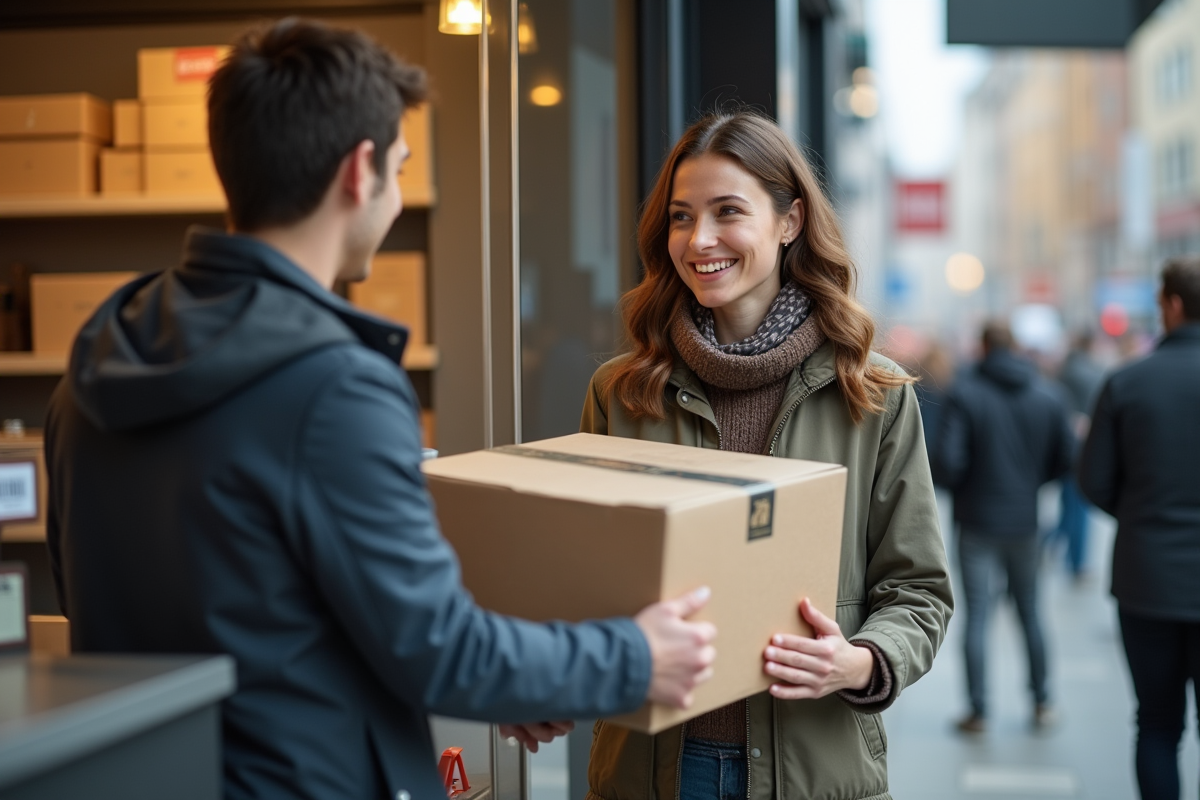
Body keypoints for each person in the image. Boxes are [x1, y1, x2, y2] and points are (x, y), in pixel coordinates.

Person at [43, 19, 718, 800]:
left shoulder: (93, 370)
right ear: (360, 172)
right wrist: (634, 656)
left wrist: (521, 681)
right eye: (399, 168)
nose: (397, 195)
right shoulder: (332, 387)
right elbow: (437, 648)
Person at [579, 110, 953, 800]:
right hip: (652, 770)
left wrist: (862, 660)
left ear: (790, 221)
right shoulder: (621, 394)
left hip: (814, 769)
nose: (700, 240)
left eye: (728, 212)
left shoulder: (872, 395)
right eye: (681, 217)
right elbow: (582, 579)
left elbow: (919, 590)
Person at [1079, 257, 1200, 800]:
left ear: (1171, 305)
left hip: (1147, 578)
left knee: (1156, 723)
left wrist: (1143, 515)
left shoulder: (1127, 382)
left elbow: (1094, 481)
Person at [931, 321, 1074, 734]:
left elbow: (948, 462)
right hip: (1025, 521)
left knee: (977, 616)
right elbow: (1067, 457)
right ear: (1015, 347)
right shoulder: (1047, 394)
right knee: (1030, 611)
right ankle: (1042, 700)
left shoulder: (965, 393)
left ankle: (978, 710)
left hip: (976, 521)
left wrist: (967, 486)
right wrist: (1031, 482)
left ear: (982, 347)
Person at [1053, 331, 1106, 580]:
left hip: (1066, 450)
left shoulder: (1062, 372)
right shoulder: (1093, 374)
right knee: (1079, 511)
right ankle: (1076, 563)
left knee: (1069, 508)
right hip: (1084, 450)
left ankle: (1052, 545)